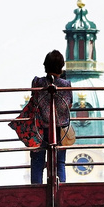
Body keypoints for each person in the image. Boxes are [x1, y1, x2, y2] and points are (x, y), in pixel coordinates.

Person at [28, 50, 73, 185]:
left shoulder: (37, 82)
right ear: (62, 66)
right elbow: (69, 104)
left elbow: (33, 99)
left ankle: (36, 190)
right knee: (60, 162)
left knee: (37, 161)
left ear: (45, 66)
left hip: (39, 128)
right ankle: (61, 187)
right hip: (60, 129)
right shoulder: (66, 85)